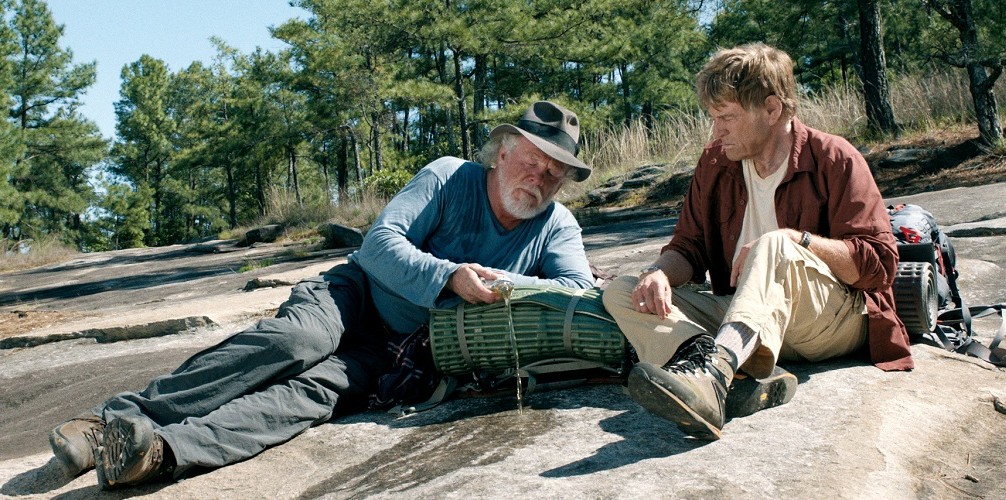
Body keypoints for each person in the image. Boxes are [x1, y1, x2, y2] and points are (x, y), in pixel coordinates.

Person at [48, 101, 598, 489]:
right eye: (533, 160)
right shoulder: (448, 177)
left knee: (310, 396)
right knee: (296, 341)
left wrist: (514, 285)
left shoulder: (556, 226)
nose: (541, 178)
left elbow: (576, 291)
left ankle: (157, 453)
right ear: (502, 152)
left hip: (404, 350)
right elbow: (380, 244)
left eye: (555, 173)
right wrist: (452, 277)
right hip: (354, 293)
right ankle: (106, 424)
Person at [602, 43, 912, 441]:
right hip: (748, 319)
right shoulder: (715, 162)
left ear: (772, 109)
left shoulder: (836, 158)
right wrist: (658, 273)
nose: (716, 131)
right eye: (713, 118)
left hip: (829, 321)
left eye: (726, 117)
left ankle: (716, 373)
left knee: (776, 245)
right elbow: (689, 248)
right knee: (625, 291)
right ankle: (730, 374)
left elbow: (880, 266)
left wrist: (798, 241)